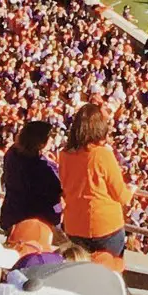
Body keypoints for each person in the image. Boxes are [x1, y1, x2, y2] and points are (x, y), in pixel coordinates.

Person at [59, 103, 132, 260]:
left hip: (74, 226)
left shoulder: (64, 155)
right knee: (108, 271)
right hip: (105, 228)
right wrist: (132, 190)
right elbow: (122, 196)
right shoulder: (102, 155)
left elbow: (64, 187)